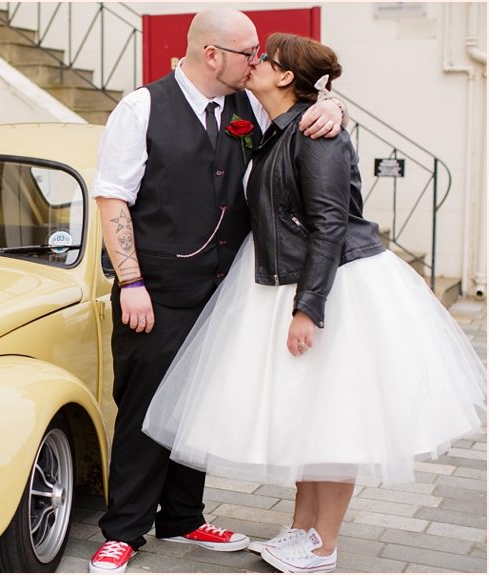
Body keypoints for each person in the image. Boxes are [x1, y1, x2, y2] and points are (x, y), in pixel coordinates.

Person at [142, 32, 487, 574]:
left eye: (265, 59)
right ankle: (301, 529)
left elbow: (329, 223)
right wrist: (328, 101)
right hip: (287, 280)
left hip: (332, 284)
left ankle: (323, 544)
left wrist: (311, 307)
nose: (253, 64)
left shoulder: (316, 134)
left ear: (284, 76)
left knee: (338, 418)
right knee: (310, 416)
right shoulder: (275, 126)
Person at [89, 9, 347, 573]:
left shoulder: (250, 106)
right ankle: (124, 531)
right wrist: (130, 282)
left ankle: (183, 517)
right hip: (154, 289)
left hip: (226, 290)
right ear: (213, 54)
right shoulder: (141, 108)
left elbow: (300, 113)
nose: (256, 61)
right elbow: (112, 200)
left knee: (198, 405)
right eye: (247, 52)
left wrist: (331, 104)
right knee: (145, 406)